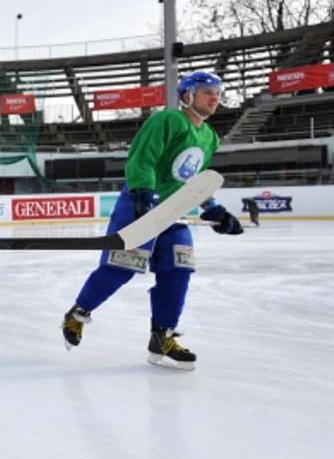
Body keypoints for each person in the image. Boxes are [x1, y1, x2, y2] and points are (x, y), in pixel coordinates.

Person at [59, 71, 242, 370]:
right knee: (121, 269)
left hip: (174, 212)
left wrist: (213, 208)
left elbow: (194, 180)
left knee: (179, 269)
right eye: (207, 91)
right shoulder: (167, 120)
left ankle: (162, 338)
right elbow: (141, 158)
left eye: (218, 92)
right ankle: (78, 314)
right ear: (187, 96)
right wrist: (143, 190)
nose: (215, 97)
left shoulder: (209, 138)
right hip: (138, 205)